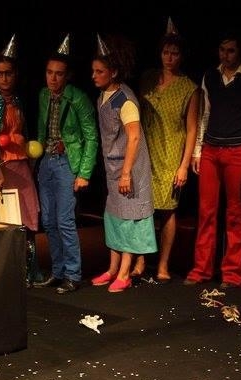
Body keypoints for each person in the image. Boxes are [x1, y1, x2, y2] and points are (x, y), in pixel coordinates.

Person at [184, 32, 241, 289]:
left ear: (239, 51)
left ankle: (233, 273)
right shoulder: (210, 76)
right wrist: (198, 150)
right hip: (211, 149)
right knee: (206, 211)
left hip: (237, 150)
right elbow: (204, 115)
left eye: (231, 50)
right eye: (222, 50)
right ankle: (201, 269)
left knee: (235, 212)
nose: (226, 55)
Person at [0, 34, 43, 287]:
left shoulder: (16, 99)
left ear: (15, 74)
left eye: (8, 74)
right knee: (4, 220)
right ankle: (3, 274)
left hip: (20, 165)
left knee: (27, 218)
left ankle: (27, 271)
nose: (4, 79)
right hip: (1, 169)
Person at [90, 34, 157, 293]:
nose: (94, 76)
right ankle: (112, 268)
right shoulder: (103, 97)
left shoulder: (124, 100)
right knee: (114, 216)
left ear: (114, 72)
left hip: (129, 167)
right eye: (94, 71)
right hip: (113, 165)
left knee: (128, 217)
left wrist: (127, 173)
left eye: (100, 71)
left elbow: (134, 137)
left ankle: (125, 272)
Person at [35, 34, 99, 294]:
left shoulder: (77, 98)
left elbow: (91, 137)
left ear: (67, 76)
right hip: (47, 162)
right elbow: (42, 128)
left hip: (66, 163)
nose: (53, 78)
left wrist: (84, 173)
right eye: (49, 72)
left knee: (64, 221)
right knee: (48, 221)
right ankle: (58, 271)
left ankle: (73, 273)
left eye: (59, 74)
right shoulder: (43, 95)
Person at [138, 20, 199, 283]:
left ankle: (162, 264)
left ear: (181, 56)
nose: (169, 58)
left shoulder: (189, 88)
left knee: (167, 208)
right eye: (165, 52)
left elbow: (192, 128)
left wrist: (184, 165)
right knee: (142, 208)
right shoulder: (148, 79)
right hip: (146, 149)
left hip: (171, 151)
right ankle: (140, 260)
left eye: (174, 53)